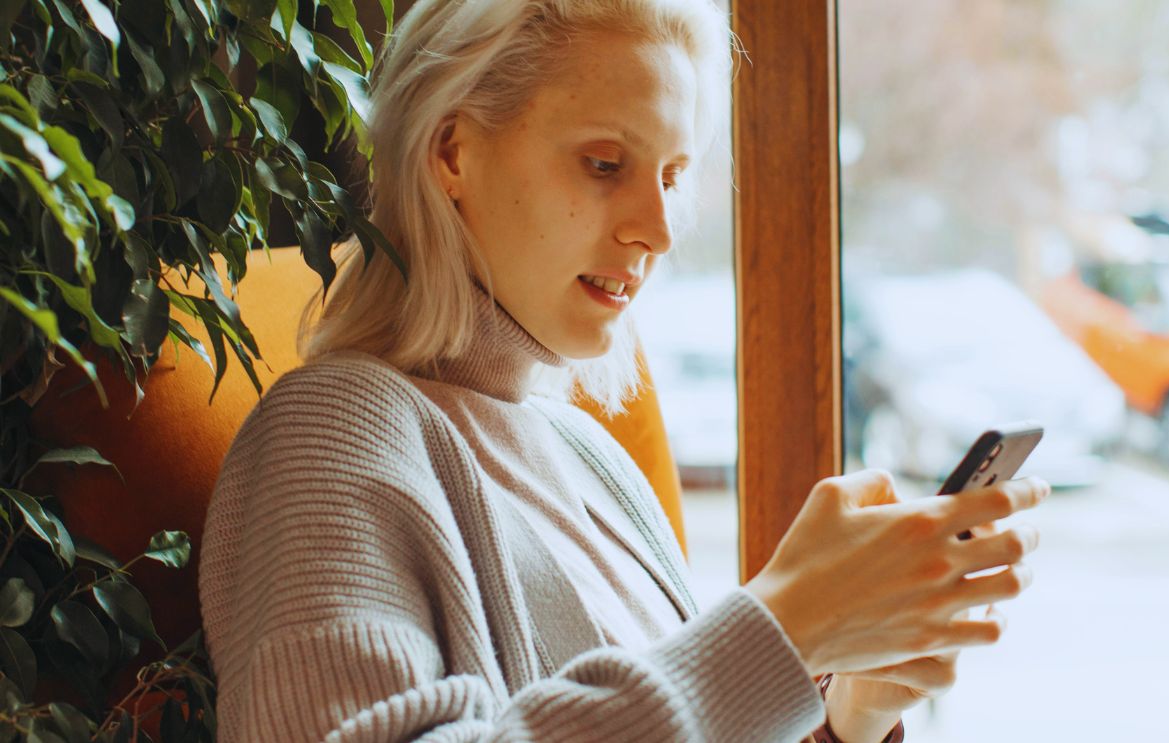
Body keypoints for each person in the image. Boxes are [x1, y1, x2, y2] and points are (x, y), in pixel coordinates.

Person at [198, 1, 1049, 741]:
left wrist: (840, 716)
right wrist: (784, 626)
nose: (658, 228)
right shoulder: (334, 428)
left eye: (673, 176)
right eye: (605, 164)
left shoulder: (588, 454)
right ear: (452, 151)